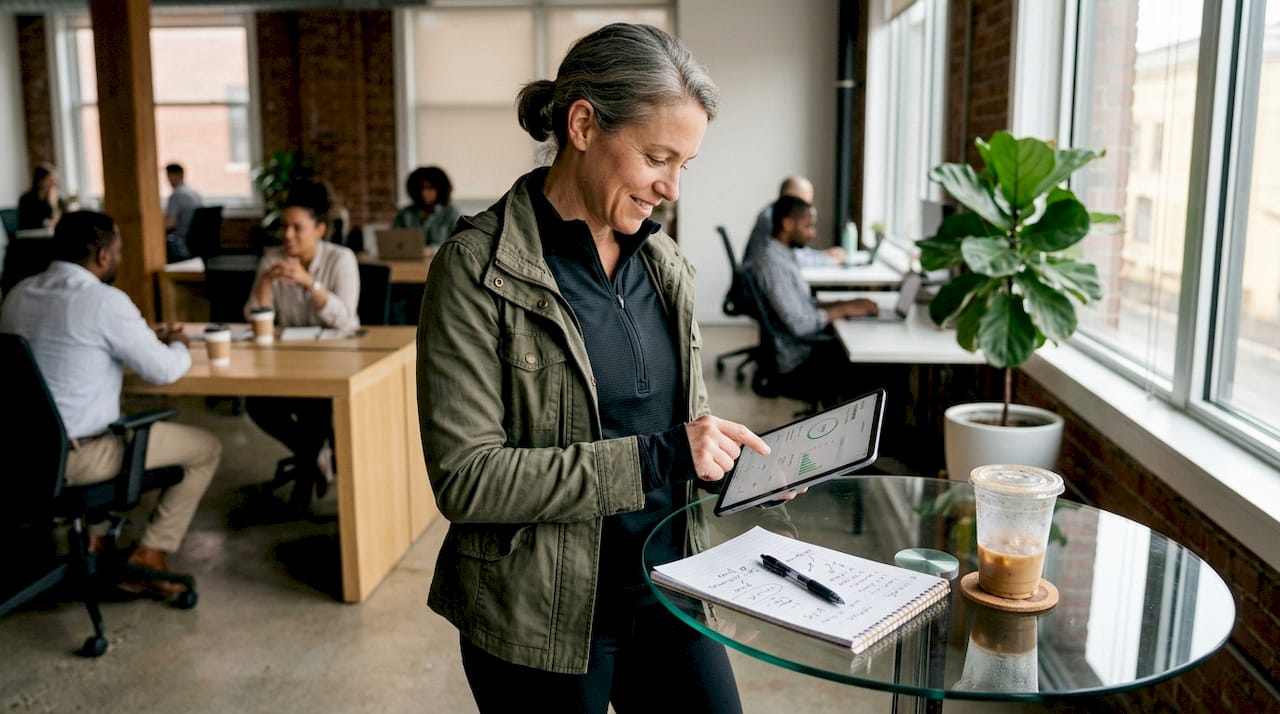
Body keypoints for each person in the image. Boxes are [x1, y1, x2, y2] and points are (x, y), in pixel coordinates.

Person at [417, 23, 771, 714]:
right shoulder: (475, 270)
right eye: (657, 157)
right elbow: (468, 479)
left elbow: (682, 428)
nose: (670, 188)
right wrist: (662, 455)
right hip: (540, 616)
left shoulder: (663, 263)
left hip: (669, 587)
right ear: (582, 125)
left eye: (684, 165)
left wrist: (736, 464)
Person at [0, 210, 221, 598]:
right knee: (205, 448)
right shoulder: (103, 301)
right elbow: (164, 370)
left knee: (106, 420)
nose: (118, 257)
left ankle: (95, 540)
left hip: (19, 453)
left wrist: (140, 337)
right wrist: (178, 345)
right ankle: (150, 553)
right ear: (103, 256)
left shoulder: (17, 295)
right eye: (118, 251)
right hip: (78, 458)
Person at [243, 178, 359, 503]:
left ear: (320, 229)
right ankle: (314, 454)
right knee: (257, 403)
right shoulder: (272, 259)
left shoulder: (341, 259)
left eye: (297, 228)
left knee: (316, 407)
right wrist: (265, 282)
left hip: (336, 361)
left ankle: (306, 476)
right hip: (289, 361)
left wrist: (311, 284)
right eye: (283, 227)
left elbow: (346, 319)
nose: (287, 235)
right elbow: (255, 319)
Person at [747, 195, 880, 399]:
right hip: (796, 361)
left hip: (803, 350)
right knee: (877, 371)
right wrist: (844, 309)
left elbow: (803, 306)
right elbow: (800, 324)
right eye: (807, 226)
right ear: (787, 224)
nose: (812, 233)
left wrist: (845, 304)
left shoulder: (783, 254)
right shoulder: (773, 264)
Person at [741, 175, 845, 268]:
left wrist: (824, 255)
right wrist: (829, 261)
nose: (808, 210)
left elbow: (797, 252)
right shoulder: (771, 218)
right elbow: (791, 259)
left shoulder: (776, 212)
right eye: (805, 203)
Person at [392, 166, 461, 252]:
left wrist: (432, 250)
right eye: (420, 188)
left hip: (442, 259)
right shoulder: (404, 214)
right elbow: (394, 243)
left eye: (430, 188)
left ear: (440, 189)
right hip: (409, 259)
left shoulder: (451, 213)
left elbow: (458, 245)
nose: (424, 193)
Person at [163, 163, 204, 262]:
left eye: (169, 175)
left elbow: (169, 224)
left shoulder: (177, 195)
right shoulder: (194, 193)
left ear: (177, 175)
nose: (167, 179)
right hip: (198, 241)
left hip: (182, 243)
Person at [17, 163, 68, 231]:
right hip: (32, 234)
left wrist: (54, 204)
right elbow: (33, 223)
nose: (54, 184)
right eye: (50, 180)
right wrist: (53, 205)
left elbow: (63, 220)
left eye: (55, 180)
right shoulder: (26, 199)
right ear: (40, 181)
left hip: (49, 234)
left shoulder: (57, 198)